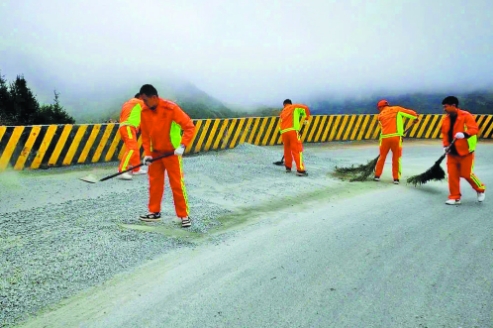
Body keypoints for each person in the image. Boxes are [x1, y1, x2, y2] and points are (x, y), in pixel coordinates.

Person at [138, 84, 196, 228]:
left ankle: (184, 215)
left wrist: (182, 146)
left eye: (145, 100)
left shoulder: (171, 109)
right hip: (156, 153)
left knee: (176, 183)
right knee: (155, 183)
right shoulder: (144, 111)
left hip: (172, 153)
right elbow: (145, 135)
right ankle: (154, 212)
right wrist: (147, 154)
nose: (143, 103)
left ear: (154, 97)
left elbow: (189, 127)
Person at [441, 96, 486, 205]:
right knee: (452, 175)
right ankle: (455, 197)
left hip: (465, 152)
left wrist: (464, 134)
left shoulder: (466, 116)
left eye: (446, 107)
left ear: (453, 106)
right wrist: (446, 146)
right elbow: (445, 134)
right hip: (452, 153)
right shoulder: (445, 119)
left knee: (467, 174)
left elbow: (474, 129)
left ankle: (480, 189)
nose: (444, 109)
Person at [374, 99, 419, 184]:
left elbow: (382, 128)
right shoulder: (397, 109)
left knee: (382, 157)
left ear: (380, 107)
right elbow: (411, 114)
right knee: (396, 158)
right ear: (387, 105)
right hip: (396, 137)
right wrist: (416, 117)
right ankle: (396, 178)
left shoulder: (379, 116)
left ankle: (377, 176)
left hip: (384, 138)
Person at [118, 93, 147, 180]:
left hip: (126, 127)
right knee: (131, 149)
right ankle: (122, 171)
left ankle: (136, 169)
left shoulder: (130, 104)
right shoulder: (138, 102)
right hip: (128, 127)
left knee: (134, 149)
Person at [279, 99, 311, 176]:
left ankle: (288, 167)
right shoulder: (294, 107)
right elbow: (305, 108)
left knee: (287, 150)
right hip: (293, 130)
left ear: (284, 105)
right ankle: (300, 170)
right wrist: (306, 119)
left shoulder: (282, 113)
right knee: (297, 149)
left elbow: (280, 124)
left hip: (284, 132)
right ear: (290, 103)